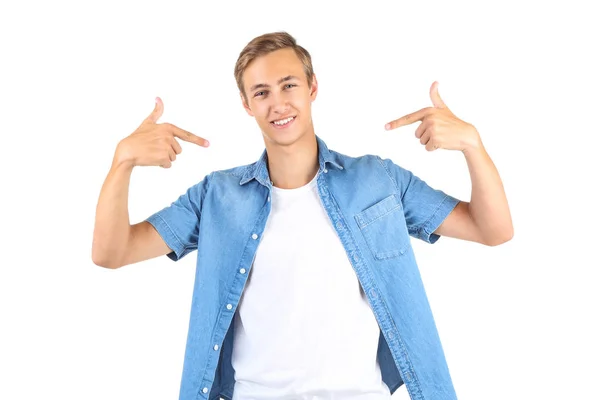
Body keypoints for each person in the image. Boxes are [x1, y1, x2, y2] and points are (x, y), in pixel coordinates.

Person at [92, 31, 513, 400]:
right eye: (261, 92)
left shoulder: (377, 180)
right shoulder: (217, 197)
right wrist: (122, 161)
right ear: (246, 105)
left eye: (288, 84)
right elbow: (112, 252)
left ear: (312, 88)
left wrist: (473, 146)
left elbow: (492, 229)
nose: (278, 104)